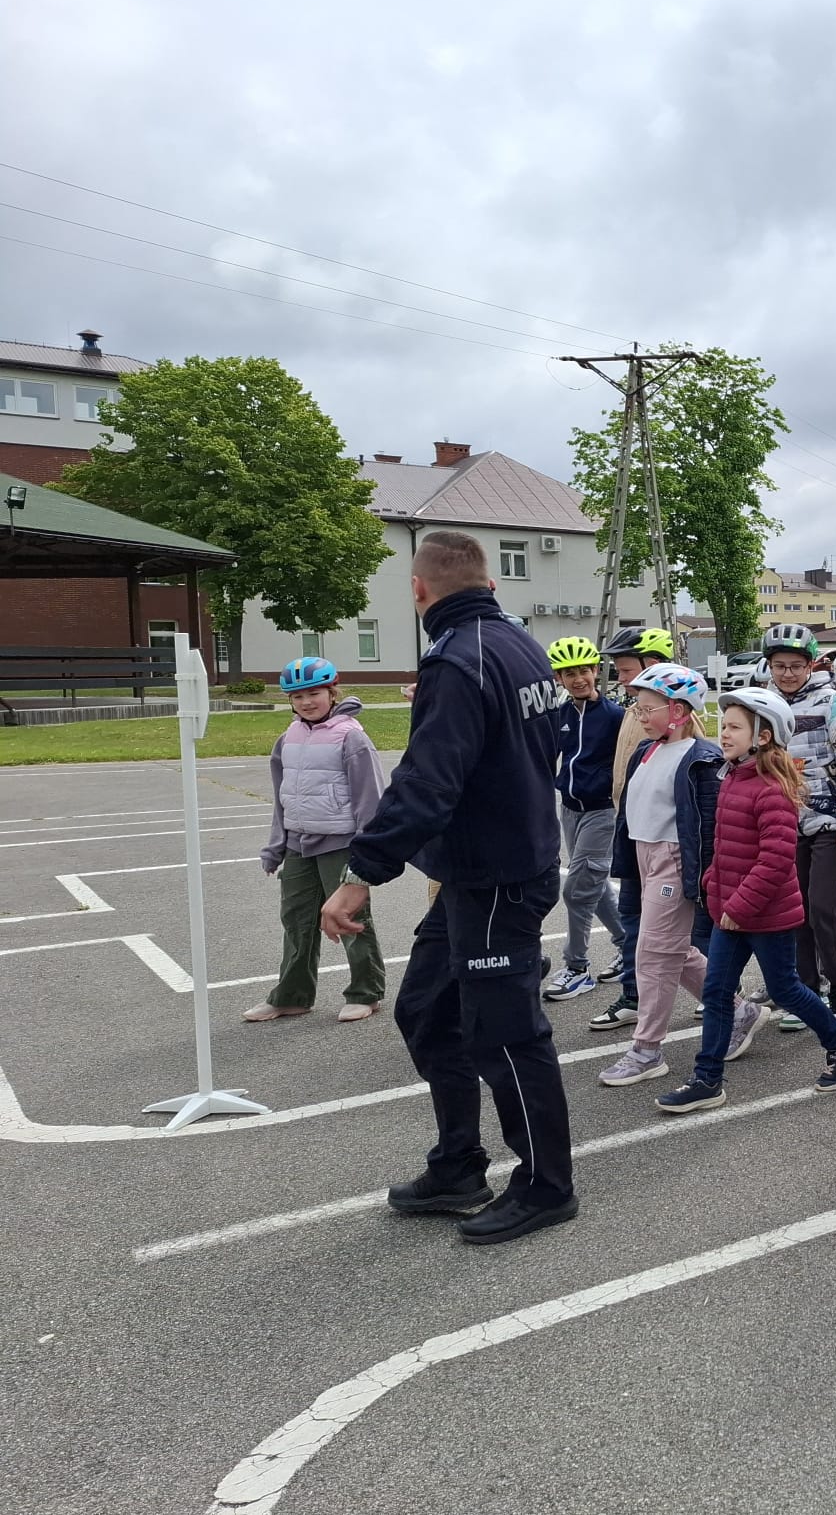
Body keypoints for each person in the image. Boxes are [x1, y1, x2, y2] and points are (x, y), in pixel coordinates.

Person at [319, 531, 577, 1246]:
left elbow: (426, 784)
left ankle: (547, 1186)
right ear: (488, 583)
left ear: (418, 589)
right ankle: (459, 1165)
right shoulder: (521, 644)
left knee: (507, 1035)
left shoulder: (459, 660)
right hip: (475, 875)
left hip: (498, 878)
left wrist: (360, 875)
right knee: (428, 1012)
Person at [652, 687, 836, 1113]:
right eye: (723, 725)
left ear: (763, 737)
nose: (723, 733)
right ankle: (707, 1079)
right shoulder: (732, 778)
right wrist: (713, 885)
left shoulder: (773, 790)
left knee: (786, 989)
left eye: (734, 727)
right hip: (731, 913)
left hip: (765, 916)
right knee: (716, 992)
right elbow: (726, 846)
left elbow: (775, 861)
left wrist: (738, 906)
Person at [598, 662, 760, 1086]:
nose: (639, 715)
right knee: (672, 949)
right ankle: (740, 1010)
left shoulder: (701, 758)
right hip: (644, 856)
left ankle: (647, 1049)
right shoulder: (645, 751)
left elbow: (712, 826)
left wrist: (709, 879)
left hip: (674, 860)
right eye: (637, 707)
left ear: (679, 711)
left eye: (647, 708)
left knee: (652, 954)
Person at [249, 656, 386, 1023]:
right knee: (296, 921)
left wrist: (368, 852)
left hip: (340, 844)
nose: (307, 702)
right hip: (298, 844)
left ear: (332, 692)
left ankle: (366, 992)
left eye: (314, 693)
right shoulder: (288, 739)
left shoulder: (351, 737)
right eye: (298, 697)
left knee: (350, 919)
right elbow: (282, 798)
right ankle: (292, 996)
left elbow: (370, 798)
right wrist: (275, 846)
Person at [756, 622, 836, 1031]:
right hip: (783, 823)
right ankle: (807, 991)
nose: (787, 673)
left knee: (822, 906)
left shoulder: (830, 702)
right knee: (795, 911)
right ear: (769, 666)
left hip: (829, 821)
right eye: (779, 666)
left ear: (810, 665)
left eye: (796, 666)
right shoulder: (762, 704)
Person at [588, 625, 679, 1033]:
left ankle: (720, 994)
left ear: (652, 665)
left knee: (684, 928)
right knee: (631, 915)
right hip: (631, 832)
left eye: (627, 671)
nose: (621, 679)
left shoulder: (678, 723)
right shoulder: (632, 713)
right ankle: (633, 994)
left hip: (666, 842)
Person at [543, 636, 627, 1004]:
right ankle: (628, 946)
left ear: (596, 671)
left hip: (601, 811)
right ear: (559, 678)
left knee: (577, 890)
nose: (578, 679)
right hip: (570, 810)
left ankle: (577, 968)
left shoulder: (613, 716)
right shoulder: (560, 715)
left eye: (584, 671)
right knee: (596, 885)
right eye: (569, 673)